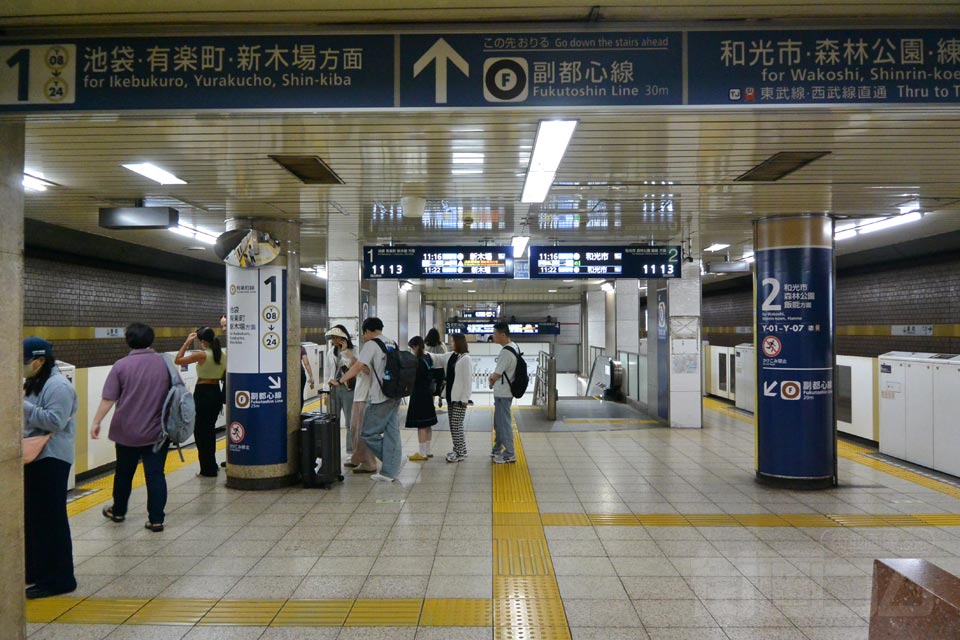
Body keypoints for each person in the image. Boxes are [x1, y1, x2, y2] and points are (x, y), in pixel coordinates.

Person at [92, 323, 172, 532]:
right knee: (155, 475)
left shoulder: (121, 365)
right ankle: (156, 519)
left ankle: (118, 511)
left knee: (124, 473)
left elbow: (108, 398)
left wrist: (96, 421)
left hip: (126, 432)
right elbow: (178, 393)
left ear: (128, 340)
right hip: (157, 432)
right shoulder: (165, 364)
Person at [22, 337, 78, 599]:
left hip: (52, 458)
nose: (24, 367)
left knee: (51, 520)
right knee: (35, 519)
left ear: (40, 360)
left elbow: (55, 421)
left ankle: (60, 579)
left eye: (26, 362)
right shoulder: (37, 381)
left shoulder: (58, 385)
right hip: (35, 456)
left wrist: (19, 404)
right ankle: (36, 571)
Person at [338, 317, 400, 482]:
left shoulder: (372, 344)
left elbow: (358, 366)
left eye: (364, 333)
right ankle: (389, 472)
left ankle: (392, 461)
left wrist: (340, 380)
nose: (363, 337)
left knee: (367, 432)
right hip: (395, 394)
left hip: (380, 396)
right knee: (392, 433)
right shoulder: (392, 342)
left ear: (367, 330)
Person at [175, 327, 226, 477]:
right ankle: (212, 464)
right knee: (209, 430)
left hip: (203, 394)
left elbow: (178, 360)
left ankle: (207, 468)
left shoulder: (202, 355)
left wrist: (186, 343)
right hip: (216, 392)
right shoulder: (222, 355)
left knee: (200, 431)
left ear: (203, 341)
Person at [429, 334, 473, 462]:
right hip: (450, 396)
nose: (451, 344)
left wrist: (465, 398)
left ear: (459, 342)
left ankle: (459, 452)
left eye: (453, 342)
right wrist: (422, 351)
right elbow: (437, 358)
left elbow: (468, 380)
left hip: (459, 398)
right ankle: (460, 449)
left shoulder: (466, 359)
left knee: (456, 424)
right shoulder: (451, 356)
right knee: (453, 425)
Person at [489, 321, 519, 464]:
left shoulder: (506, 352)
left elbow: (497, 374)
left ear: (502, 335)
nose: (493, 336)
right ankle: (497, 448)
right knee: (499, 422)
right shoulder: (514, 347)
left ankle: (509, 454)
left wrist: (491, 380)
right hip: (506, 391)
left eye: (495, 334)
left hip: (503, 392)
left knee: (503, 423)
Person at [405, 336, 438, 461]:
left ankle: (422, 452)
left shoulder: (418, 361)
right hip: (428, 394)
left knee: (421, 425)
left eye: (412, 347)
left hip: (419, 395)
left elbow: (414, 378)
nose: (412, 350)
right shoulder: (428, 358)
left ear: (416, 346)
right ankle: (428, 451)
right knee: (428, 423)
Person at [323, 326, 355, 448]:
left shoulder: (353, 350)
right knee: (332, 419)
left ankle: (350, 449)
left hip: (348, 389)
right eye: (332, 337)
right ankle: (332, 447)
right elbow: (327, 372)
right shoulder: (330, 352)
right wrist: (326, 390)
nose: (334, 340)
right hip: (333, 389)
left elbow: (352, 366)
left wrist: (345, 351)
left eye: (337, 337)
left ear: (343, 338)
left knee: (349, 421)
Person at [424, 328, 447, 409]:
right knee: (440, 386)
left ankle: (432, 403)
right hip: (440, 369)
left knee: (431, 387)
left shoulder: (425, 345)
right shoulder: (442, 345)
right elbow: (445, 357)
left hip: (430, 369)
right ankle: (440, 398)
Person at [300, 345, 315, 410]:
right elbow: (306, 363)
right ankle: (298, 413)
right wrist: (311, 376)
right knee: (300, 395)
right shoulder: (301, 348)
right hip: (300, 374)